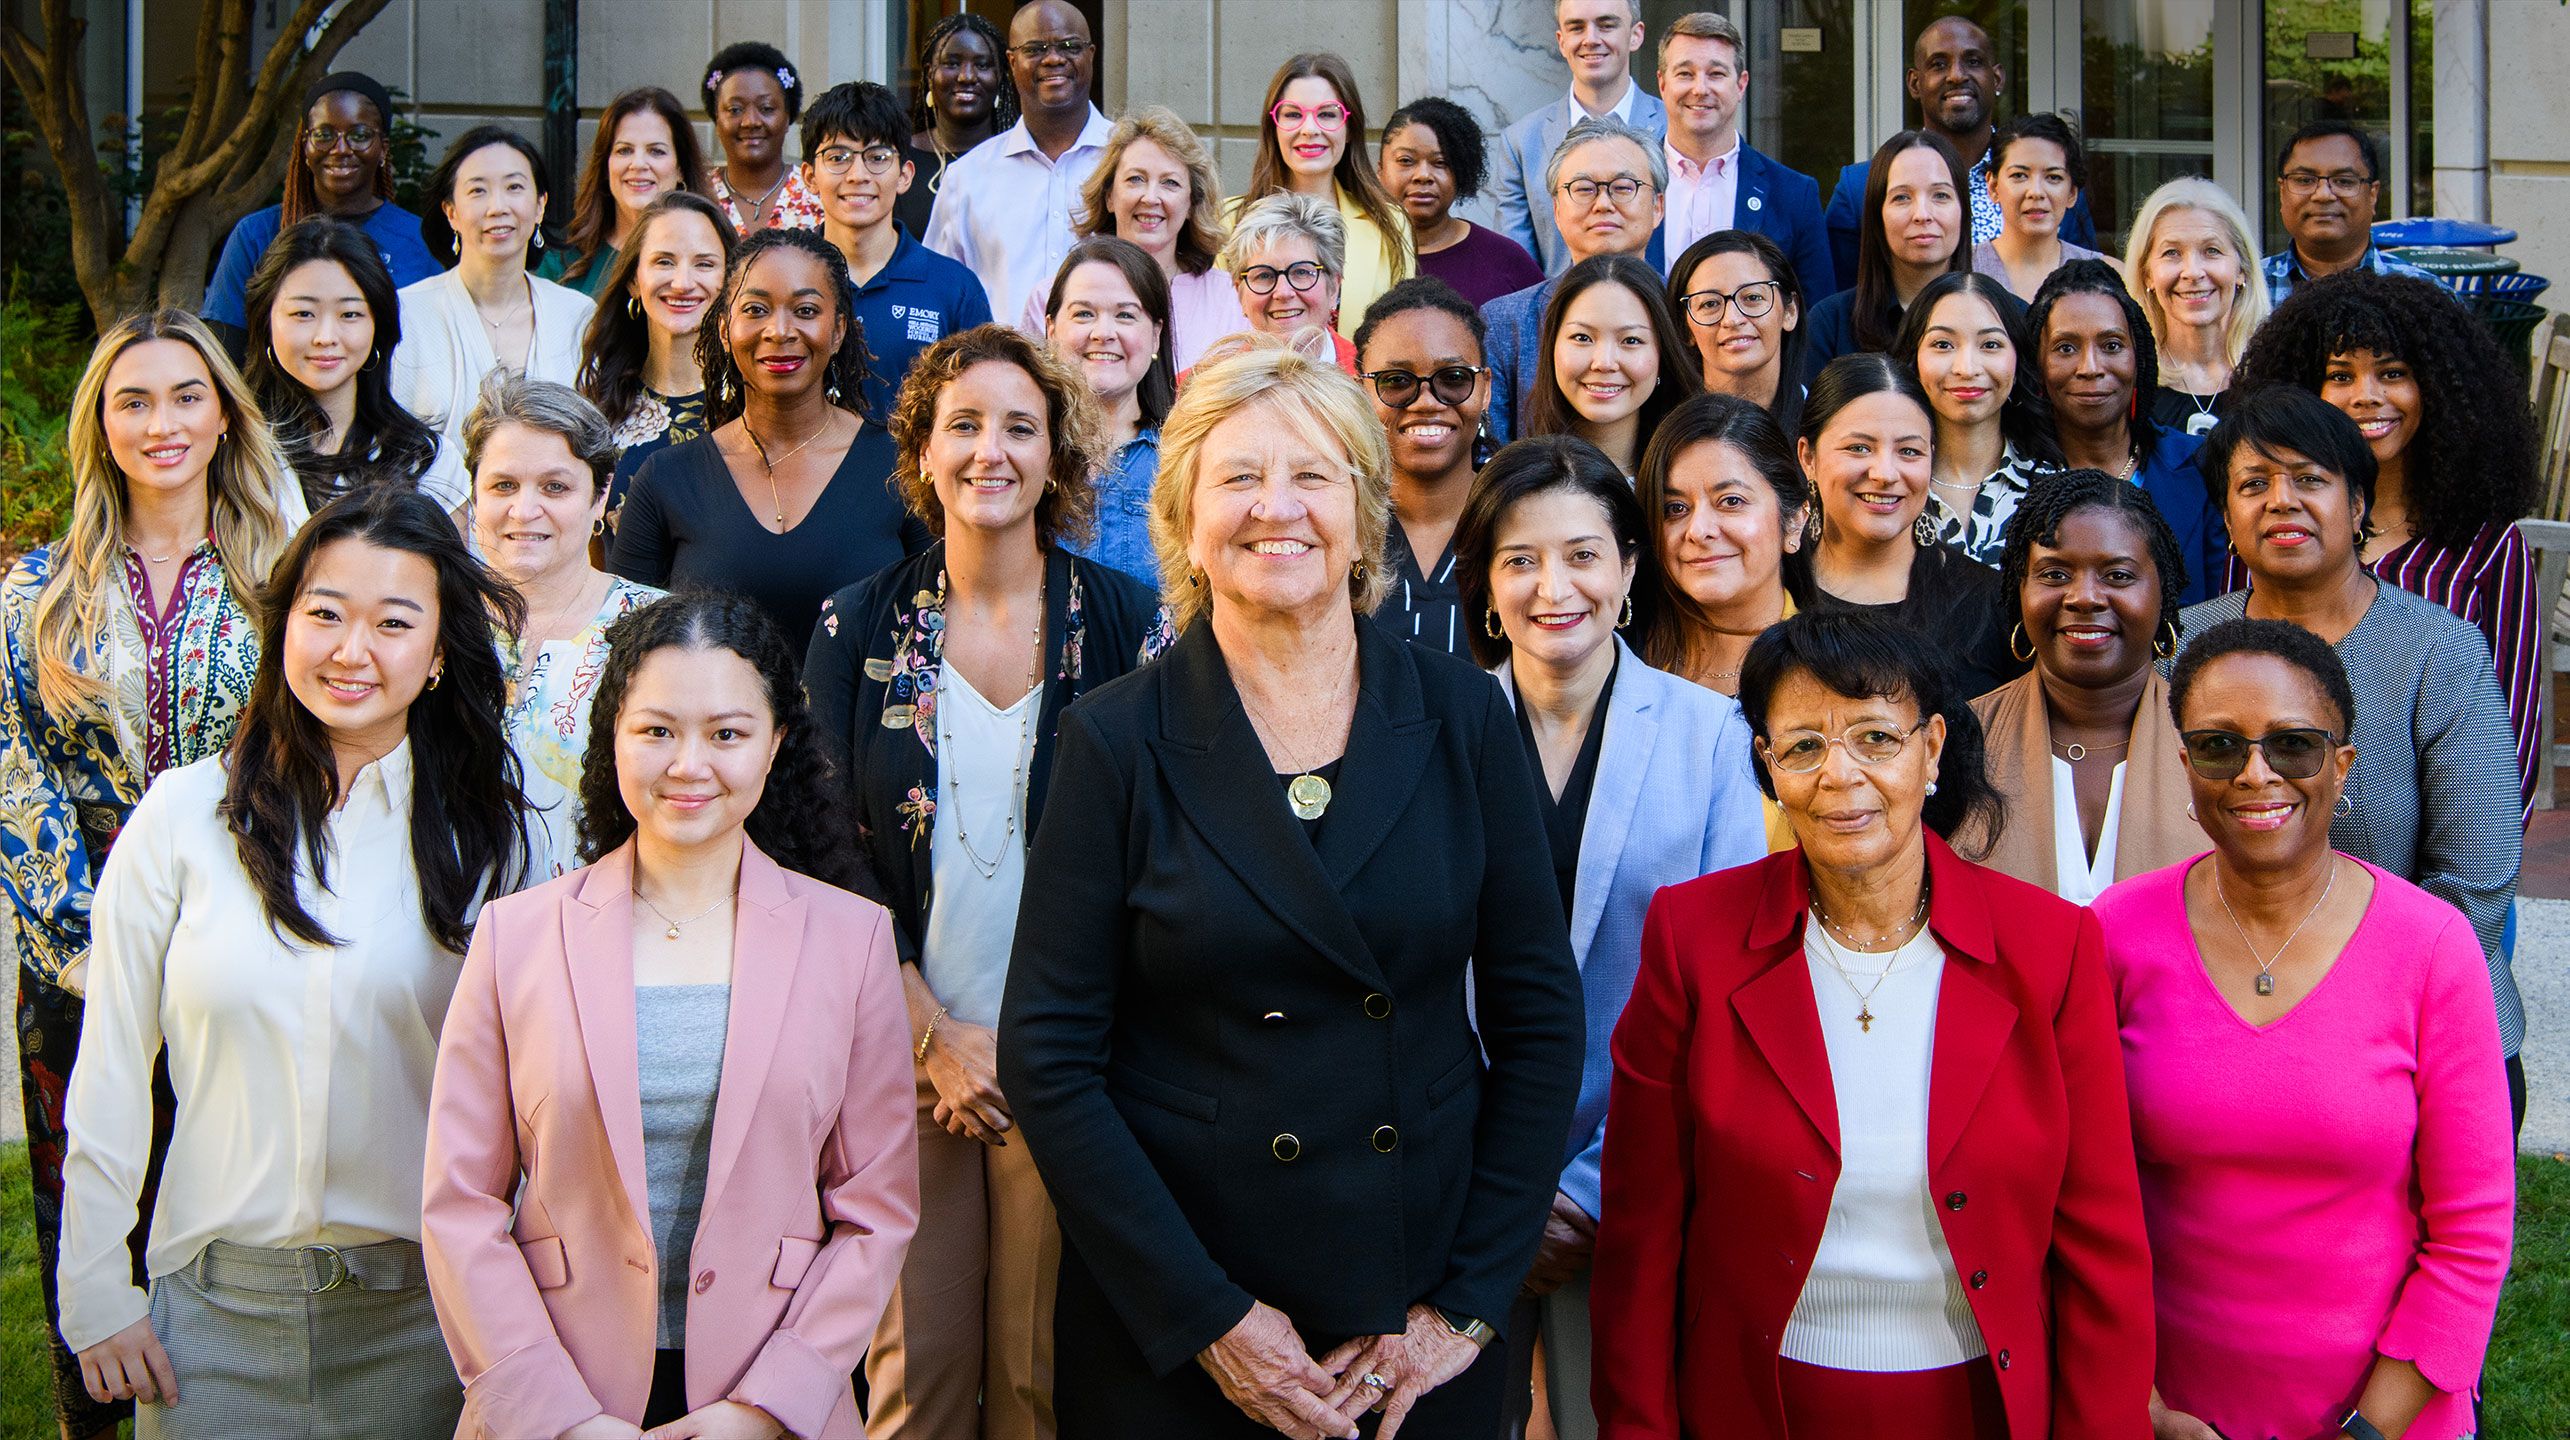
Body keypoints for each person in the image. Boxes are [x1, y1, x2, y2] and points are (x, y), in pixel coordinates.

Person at [996, 341, 1583, 1438]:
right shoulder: (1113, 739)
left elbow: (1540, 1022)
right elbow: (1048, 1055)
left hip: (1412, 1318)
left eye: (1313, 475)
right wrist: (1208, 1317)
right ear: (1181, 518)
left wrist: (1463, 1306)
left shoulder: (1459, 717)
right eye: (1239, 478)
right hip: (1181, 1312)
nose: (1279, 509)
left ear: (1363, 513)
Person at [1590, 609, 2153, 1440]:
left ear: (1930, 750)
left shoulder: (2050, 948)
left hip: (1979, 1408)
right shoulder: (1693, 938)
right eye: (1804, 746)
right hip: (1755, 1406)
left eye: (1875, 739)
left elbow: (2102, 1246)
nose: (1839, 775)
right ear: (1767, 764)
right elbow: (1640, 1239)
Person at [56, 486, 527, 1438]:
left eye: (395, 623)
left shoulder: (495, 843)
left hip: (428, 1319)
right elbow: (108, 1063)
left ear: (439, 656)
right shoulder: (185, 819)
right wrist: (97, 1284)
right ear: (282, 630)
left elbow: (534, 1096)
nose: (353, 651)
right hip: (213, 1320)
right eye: (325, 615)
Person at [423, 590, 918, 1438]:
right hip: (558, 1402)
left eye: (726, 734)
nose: (690, 764)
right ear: (612, 735)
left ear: (776, 746)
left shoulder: (854, 940)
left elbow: (875, 1210)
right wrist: (558, 1416)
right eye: (657, 731)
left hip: (769, 1406)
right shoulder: (517, 938)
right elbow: (460, 1203)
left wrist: (766, 1409)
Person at [805, 325, 1169, 1440]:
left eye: (1020, 426)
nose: (990, 451)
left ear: (1059, 455)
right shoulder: (856, 622)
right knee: (912, 1386)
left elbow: (1160, 843)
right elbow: (819, 846)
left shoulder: (1123, 625)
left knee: (1038, 1385)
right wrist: (929, 1032)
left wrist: (1040, 1043)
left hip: (1072, 1065)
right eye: (963, 425)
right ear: (920, 451)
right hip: (897, 1055)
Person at [2098, 618, 2514, 1440]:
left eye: (2293, 745)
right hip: (2170, 1415)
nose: (2256, 773)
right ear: (2186, 767)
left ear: (2342, 765)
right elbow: (2083, 1201)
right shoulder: (2116, 933)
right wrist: (2140, 1407)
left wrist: (2363, 1432)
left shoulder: (2432, 948)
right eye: (2220, 746)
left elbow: (2473, 1232)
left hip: (2386, 1420)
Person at [2, 310, 301, 1440]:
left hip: (244, 941)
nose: (162, 421)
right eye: (134, 400)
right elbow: (11, 774)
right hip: (75, 963)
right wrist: (89, 949)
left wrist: (240, 921)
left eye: (187, 396)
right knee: (91, 1199)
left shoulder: (287, 566)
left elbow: (315, 746)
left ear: (224, 412)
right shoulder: (35, 592)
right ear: (101, 423)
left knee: (227, 1205)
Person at [1449, 434, 1766, 1440]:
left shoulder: (1710, 735)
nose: (1554, 587)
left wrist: (1582, 1190)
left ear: (1628, 569)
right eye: (1520, 560)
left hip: (1628, 1182)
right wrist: (1498, 1188)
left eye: (1582, 554)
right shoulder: (1431, 736)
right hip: (1458, 1184)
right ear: (1486, 584)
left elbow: (1723, 988)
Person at [2176, 385, 2529, 1118]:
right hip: (2225, 1024)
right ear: (2228, 516)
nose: (2281, 501)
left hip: (2426, 1037)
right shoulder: (2181, 650)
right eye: (2253, 484)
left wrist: (2330, 1003)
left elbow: (2475, 884)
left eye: (2310, 480)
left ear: (2359, 505)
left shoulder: (2439, 652)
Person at [2236, 268, 2545, 818]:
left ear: (2439, 388)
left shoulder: (2488, 547)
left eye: (2392, 372)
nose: (2367, 397)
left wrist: (2452, 884)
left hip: (2446, 872)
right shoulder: (2271, 529)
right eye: (2341, 375)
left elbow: (2513, 745)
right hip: (2277, 847)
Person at [611, 227, 930, 646]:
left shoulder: (902, 467)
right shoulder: (667, 478)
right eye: (756, 309)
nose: (779, 331)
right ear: (725, 330)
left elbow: (939, 626)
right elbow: (621, 645)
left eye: (806, 310)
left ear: (838, 331)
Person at [466, 375, 666, 885]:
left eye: (555, 487)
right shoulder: (426, 623)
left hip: (602, 924)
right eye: (503, 485)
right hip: (437, 930)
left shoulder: (659, 628)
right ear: (474, 494)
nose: (524, 510)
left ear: (600, 498)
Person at [1966, 470, 2201, 901]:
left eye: (2118, 576)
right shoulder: (1961, 742)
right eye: (2054, 575)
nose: (2084, 597)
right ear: (2019, 589)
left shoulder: (2218, 744)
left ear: (2162, 592)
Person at [1821, 16, 2099, 296]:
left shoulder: (2053, 184)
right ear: (1915, 83)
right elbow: (1843, 303)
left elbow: (2085, 286)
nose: (1956, 75)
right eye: (1939, 64)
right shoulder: (1859, 188)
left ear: (1997, 78)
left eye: (1974, 62)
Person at [1791, 354, 2017, 698]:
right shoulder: (1773, 587)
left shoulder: (1989, 603)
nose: (1885, 473)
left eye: (1909, 452)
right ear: (1808, 457)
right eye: (1859, 448)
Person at [394, 126, 597, 474]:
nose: (497, 207)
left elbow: (596, 445)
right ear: (451, 212)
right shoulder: (406, 314)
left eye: (514, 187)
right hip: (428, 524)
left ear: (539, 205)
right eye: (478, 190)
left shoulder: (577, 315)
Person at [2027, 260, 2221, 605]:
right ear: (2038, 363)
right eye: (2066, 348)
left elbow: (2224, 604)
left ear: (2139, 357)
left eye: (2112, 345)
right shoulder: (2010, 476)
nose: (2090, 368)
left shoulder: (2201, 465)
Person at [801, 81, 995, 423]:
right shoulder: (788, 278)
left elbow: (981, 406)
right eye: (837, 158)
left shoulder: (953, 288)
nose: (857, 175)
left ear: (904, 175)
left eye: (877, 157)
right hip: (805, 476)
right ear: (810, 176)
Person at [202, 71, 440, 348]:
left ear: (383, 149)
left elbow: (433, 346)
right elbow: (224, 352)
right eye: (324, 134)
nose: (340, 149)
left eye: (359, 135)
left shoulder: (420, 240)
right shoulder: (257, 234)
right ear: (305, 147)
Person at [242, 216, 461, 507]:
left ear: (377, 326)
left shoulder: (428, 461)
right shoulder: (231, 450)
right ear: (265, 323)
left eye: (349, 314)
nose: (325, 337)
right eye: (304, 313)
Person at [924, 0, 1112, 331]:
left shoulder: (1126, 161)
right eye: (1036, 48)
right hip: (999, 374)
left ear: (1091, 55)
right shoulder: (967, 177)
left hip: (1109, 372)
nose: (1054, 58)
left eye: (1069, 46)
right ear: (1012, 62)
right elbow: (937, 294)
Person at [1482, 116, 1667, 442]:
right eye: (1584, 189)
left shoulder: (1690, 309)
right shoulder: (1504, 322)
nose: (1603, 204)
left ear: (1658, 206)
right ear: (1556, 209)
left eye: (1623, 188)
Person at [575, 191, 737, 535]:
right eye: (664, 261)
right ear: (634, 279)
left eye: (704, 264)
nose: (682, 283)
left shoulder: (758, 406)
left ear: (731, 283)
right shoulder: (594, 410)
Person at [1355, 277, 1495, 656]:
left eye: (1453, 379)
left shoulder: (1520, 519)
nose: (1427, 401)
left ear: (1486, 389)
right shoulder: (1338, 525)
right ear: (1360, 392)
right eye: (1396, 381)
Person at [1634, 392, 1806, 697]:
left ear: (1793, 520)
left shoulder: (1831, 671)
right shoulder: (1619, 654)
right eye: (1675, 508)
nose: (1698, 531)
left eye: (1731, 501)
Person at [1234, 52, 1413, 340]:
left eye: (1327, 114)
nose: (1309, 129)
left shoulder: (1390, 223)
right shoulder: (1230, 220)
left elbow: (1400, 336)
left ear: (1350, 128)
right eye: (1292, 114)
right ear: (1273, 127)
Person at [1054, 106, 1249, 369]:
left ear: (1192, 202)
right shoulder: (1059, 296)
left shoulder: (1232, 300)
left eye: (1170, 183)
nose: (1150, 197)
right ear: (1109, 196)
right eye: (1136, 179)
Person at [1654, 12, 1833, 297]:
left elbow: (1814, 315)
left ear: (1741, 84)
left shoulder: (1795, 195)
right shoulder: (1627, 184)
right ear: (1663, 84)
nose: (1700, 89)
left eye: (1716, 74)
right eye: (1685, 74)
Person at [1892, 271, 2061, 566]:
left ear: (2018, 358)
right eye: (1943, 344)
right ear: (1913, 357)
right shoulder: (1886, 482)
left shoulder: (2054, 488)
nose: (1966, 368)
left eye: (1990, 345)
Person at [1491, 0, 1668, 276]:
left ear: (1636, 34)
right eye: (1576, 28)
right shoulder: (1521, 142)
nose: (1591, 39)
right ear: (1561, 41)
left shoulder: (1674, 129)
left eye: (1606, 25)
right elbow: (1518, 268)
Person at [1045, 236, 1176, 582]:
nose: (1103, 332)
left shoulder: (1186, 458)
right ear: (1051, 328)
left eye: (1125, 315)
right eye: (1084, 314)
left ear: (1156, 335)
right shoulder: (1023, 452)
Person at [1802, 130, 1967, 384]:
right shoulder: (1830, 325)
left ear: (1963, 211)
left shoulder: (2003, 317)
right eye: (1902, 197)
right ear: (1877, 215)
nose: (1922, 214)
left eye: (1941, 195)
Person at [1523, 253, 1699, 479]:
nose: (1604, 363)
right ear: (1552, 347)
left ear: (1663, 355)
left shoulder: (1692, 482)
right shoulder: (1519, 488)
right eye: (1582, 338)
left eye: (1631, 340)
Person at [2122, 178, 2268, 437]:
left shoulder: (2274, 377)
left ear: (2242, 269)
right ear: (2147, 275)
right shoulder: (2126, 381)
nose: (2192, 272)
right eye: (2172, 253)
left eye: (2211, 251)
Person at [1380, 97, 1544, 309]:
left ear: (1463, 170)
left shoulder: (1505, 259)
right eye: (1406, 161)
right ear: (1380, 170)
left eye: (1440, 163)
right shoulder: (1355, 253)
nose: (1423, 175)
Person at [2260, 120, 2435, 304]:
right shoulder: (2242, 290)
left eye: (2343, 181)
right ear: (2282, 192)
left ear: (2373, 195)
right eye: (2304, 180)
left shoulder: (2425, 296)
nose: (2323, 195)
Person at [556, 86, 706, 299]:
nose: (638, 164)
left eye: (656, 151)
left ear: (681, 168)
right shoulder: (564, 264)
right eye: (624, 150)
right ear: (606, 167)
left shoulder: (713, 264)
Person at [1671, 229, 1808, 431]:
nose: (1732, 319)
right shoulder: (1666, 432)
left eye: (1752, 298)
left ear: (1790, 311)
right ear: (1685, 328)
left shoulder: (1831, 424)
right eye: (1710, 304)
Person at [1971, 112, 2111, 303]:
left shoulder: (2107, 277)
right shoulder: (1961, 269)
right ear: (1993, 186)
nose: (2036, 192)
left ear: (2072, 193)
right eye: (2019, 175)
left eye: (2053, 177)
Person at [1216, 193, 1360, 374]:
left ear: (1334, 288)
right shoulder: (1198, 390)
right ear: (1240, 293)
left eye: (1301, 272)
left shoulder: (1370, 379)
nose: (1283, 292)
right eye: (1264, 275)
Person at [909, 12, 1018, 225]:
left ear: (1000, 79)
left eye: (983, 65)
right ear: (930, 73)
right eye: (952, 63)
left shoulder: (1021, 159)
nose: (966, 76)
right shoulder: (899, 158)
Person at [702, 42, 822, 232]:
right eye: (735, 110)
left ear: (787, 116)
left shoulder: (817, 190)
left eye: (766, 108)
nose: (750, 121)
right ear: (716, 119)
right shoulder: (698, 193)